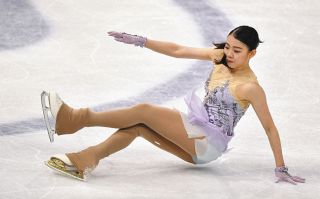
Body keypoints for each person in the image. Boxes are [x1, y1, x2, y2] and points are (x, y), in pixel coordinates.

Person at [41, 25, 305, 184]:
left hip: (208, 144)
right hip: (196, 140)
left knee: (143, 110)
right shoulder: (218, 58)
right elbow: (178, 50)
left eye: (238, 51)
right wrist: (143, 41)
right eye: (229, 47)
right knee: (138, 127)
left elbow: (270, 128)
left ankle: (75, 119)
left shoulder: (250, 87)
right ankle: (84, 161)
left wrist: (280, 167)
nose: (230, 54)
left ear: (252, 53)